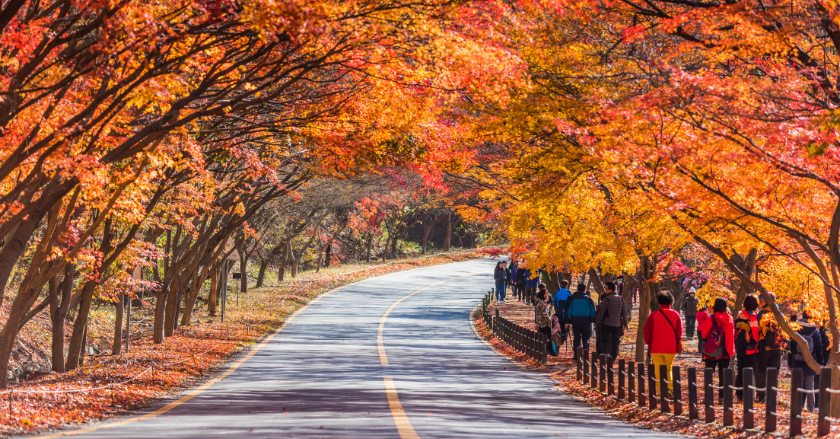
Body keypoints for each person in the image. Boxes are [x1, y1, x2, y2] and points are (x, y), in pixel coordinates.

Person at [643, 292, 683, 395]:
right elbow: (679, 332)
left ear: (659, 302)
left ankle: (662, 393)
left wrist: (649, 343)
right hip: (671, 348)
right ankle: (669, 390)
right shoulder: (676, 314)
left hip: (656, 348)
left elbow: (647, 331)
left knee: (658, 371)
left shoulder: (653, 315)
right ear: (671, 302)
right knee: (668, 368)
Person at [788, 310, 824, 412]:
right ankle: (810, 409)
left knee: (796, 386)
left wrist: (790, 363)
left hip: (796, 361)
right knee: (810, 386)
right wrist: (819, 366)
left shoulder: (796, 329)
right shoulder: (815, 331)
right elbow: (819, 349)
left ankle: (796, 407)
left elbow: (791, 348)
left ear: (802, 315)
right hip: (811, 361)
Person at [700, 298, 735, 399]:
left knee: (709, 374)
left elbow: (704, 334)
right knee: (724, 376)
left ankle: (708, 398)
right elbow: (731, 336)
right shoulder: (730, 319)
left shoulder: (711, 319)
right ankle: (722, 398)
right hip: (726, 352)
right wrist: (730, 352)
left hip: (712, 352)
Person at [756, 292, 784, 402]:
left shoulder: (761, 314)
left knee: (762, 372)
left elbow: (757, 330)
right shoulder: (779, 315)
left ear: (764, 301)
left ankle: (761, 396)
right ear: (775, 301)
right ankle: (772, 397)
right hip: (777, 348)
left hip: (764, 347)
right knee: (774, 373)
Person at [733, 295, 760, 400]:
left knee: (740, 370)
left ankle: (739, 393)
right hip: (750, 349)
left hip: (740, 348)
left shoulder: (740, 314)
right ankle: (747, 394)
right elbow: (755, 333)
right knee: (749, 371)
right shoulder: (753, 317)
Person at [565, 283, 596, 361]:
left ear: (577, 289)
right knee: (586, 339)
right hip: (586, 321)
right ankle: (585, 355)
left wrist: (567, 321)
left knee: (577, 338)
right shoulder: (589, 299)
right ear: (585, 289)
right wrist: (592, 320)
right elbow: (593, 311)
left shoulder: (572, 298)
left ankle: (577, 355)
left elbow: (568, 310)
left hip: (575, 320)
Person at [595, 281, 625, 359]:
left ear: (610, 289)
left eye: (606, 288)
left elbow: (601, 312)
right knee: (615, 342)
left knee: (604, 340)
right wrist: (625, 323)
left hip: (607, 323)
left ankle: (606, 354)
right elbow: (623, 313)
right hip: (617, 324)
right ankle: (613, 357)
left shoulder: (607, 299)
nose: (606, 290)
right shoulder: (621, 299)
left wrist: (597, 322)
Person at [535, 285, 557, 355]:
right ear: (542, 294)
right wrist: (549, 323)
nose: (547, 295)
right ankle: (550, 351)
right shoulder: (543, 303)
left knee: (543, 338)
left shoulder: (539, 302)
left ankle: (545, 350)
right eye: (545, 294)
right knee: (548, 337)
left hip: (540, 322)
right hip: (545, 323)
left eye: (547, 294)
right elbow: (545, 315)